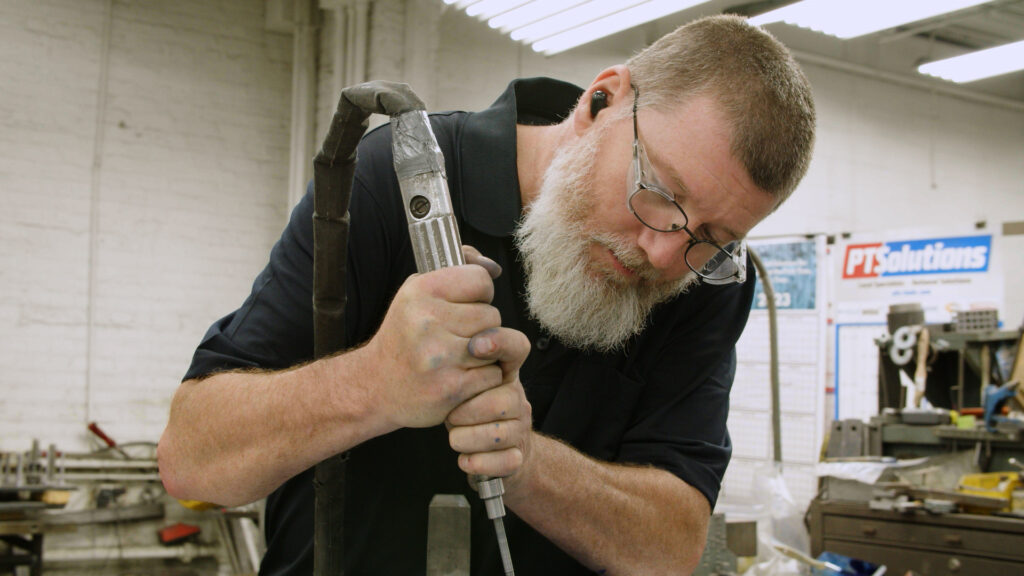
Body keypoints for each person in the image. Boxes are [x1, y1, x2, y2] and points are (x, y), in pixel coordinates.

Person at [158, 14, 815, 576]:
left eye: (714, 236)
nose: (664, 254)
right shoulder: (396, 180)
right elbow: (193, 463)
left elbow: (672, 547)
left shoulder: (709, 281)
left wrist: (526, 464)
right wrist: (372, 383)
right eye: (662, 195)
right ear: (601, 103)